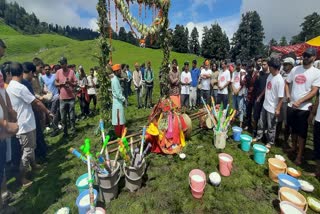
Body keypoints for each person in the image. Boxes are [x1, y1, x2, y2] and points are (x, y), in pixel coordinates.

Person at [7, 62, 53, 187]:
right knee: (27, 151)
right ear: (22, 72)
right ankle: (22, 178)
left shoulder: (10, 86)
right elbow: (36, 102)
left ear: (10, 73)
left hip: (21, 123)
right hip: (25, 124)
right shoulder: (20, 87)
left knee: (30, 147)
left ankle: (34, 166)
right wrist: (47, 112)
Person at [286, 48, 320, 165]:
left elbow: (314, 91)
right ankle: (293, 147)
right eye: (305, 55)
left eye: (308, 56)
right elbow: (287, 82)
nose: (305, 57)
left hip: (304, 108)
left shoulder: (316, 73)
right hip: (292, 105)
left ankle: (299, 155)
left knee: (302, 133)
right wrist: (288, 94)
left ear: (314, 58)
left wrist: (300, 101)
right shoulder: (295, 69)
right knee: (293, 129)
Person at [253, 58, 284, 149]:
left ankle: (270, 142)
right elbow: (266, 88)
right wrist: (260, 96)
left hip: (272, 108)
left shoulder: (280, 80)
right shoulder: (270, 76)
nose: (268, 68)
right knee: (261, 123)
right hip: (265, 105)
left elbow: (281, 97)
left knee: (271, 127)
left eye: (270, 66)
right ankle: (259, 136)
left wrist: (278, 109)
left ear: (274, 68)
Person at [22, 62, 47, 159]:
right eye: (33, 73)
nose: (33, 76)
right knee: (37, 135)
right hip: (31, 113)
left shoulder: (18, 83)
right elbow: (34, 101)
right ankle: (40, 155)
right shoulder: (25, 84)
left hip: (28, 115)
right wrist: (43, 112)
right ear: (30, 72)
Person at [55, 57, 77, 137]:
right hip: (62, 98)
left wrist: (70, 83)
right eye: (60, 63)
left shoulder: (71, 72)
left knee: (71, 116)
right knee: (63, 117)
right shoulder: (58, 72)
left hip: (71, 97)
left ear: (66, 63)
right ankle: (65, 132)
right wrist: (61, 84)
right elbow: (55, 83)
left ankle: (73, 130)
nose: (61, 65)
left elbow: (75, 83)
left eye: (62, 63)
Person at [276, 57, 294, 145]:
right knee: (279, 120)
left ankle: (286, 140)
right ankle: (277, 137)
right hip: (280, 99)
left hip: (287, 102)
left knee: (287, 122)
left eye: (286, 64)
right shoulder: (282, 73)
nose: (284, 66)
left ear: (291, 65)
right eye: (284, 64)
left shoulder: (293, 75)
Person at [41, 64, 60, 137]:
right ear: (44, 70)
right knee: (50, 114)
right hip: (48, 98)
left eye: (48, 69)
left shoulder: (54, 76)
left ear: (50, 70)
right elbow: (42, 87)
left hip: (55, 96)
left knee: (53, 113)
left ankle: (55, 129)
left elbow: (58, 83)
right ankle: (56, 126)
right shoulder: (42, 78)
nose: (47, 70)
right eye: (45, 69)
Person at [253, 58, 270, 136]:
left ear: (268, 65)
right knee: (256, 114)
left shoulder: (270, 75)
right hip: (257, 97)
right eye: (262, 65)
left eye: (264, 64)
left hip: (265, 99)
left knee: (264, 117)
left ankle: (264, 133)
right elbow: (255, 86)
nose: (262, 66)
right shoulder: (259, 74)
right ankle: (254, 130)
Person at [111, 64, 126, 137]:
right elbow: (117, 93)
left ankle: (121, 134)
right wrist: (124, 99)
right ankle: (119, 135)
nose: (120, 72)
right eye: (119, 70)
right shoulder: (115, 80)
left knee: (121, 118)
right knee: (119, 120)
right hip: (117, 103)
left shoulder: (116, 79)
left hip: (118, 102)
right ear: (116, 71)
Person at [309, 90, 320, 178]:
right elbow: (318, 99)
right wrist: (312, 113)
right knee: (317, 145)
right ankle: (317, 171)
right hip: (318, 119)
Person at [231, 60, 246, 127]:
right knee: (234, 107)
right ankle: (233, 119)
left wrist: (238, 90)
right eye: (237, 65)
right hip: (234, 93)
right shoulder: (234, 73)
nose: (238, 66)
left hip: (240, 93)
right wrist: (234, 90)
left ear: (240, 65)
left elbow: (243, 83)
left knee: (240, 108)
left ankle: (240, 122)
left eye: (239, 65)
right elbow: (232, 82)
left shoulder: (243, 72)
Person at [244, 61, 258, 131]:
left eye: (250, 68)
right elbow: (245, 85)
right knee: (248, 112)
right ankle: (247, 125)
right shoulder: (247, 76)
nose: (249, 69)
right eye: (248, 68)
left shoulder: (257, 75)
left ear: (253, 67)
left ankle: (254, 127)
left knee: (255, 113)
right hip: (249, 96)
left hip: (255, 96)